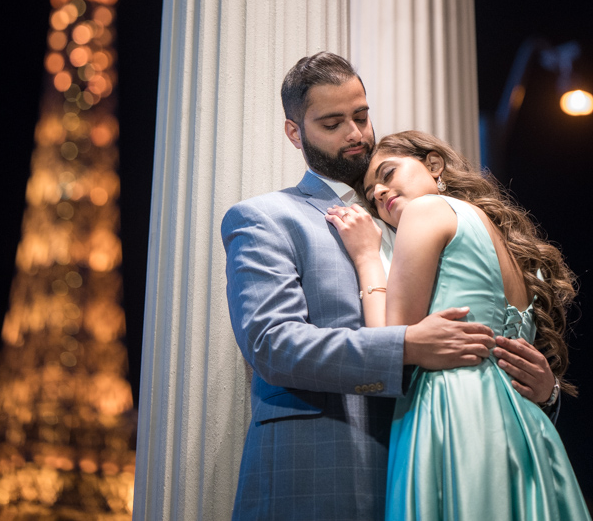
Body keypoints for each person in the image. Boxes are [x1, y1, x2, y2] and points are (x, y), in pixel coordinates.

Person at [221, 53, 557, 521]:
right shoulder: (266, 219)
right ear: (294, 132)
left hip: (442, 458)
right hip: (327, 469)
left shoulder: (416, 210)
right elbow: (271, 344)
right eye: (333, 123)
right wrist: (405, 346)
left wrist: (547, 392)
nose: (355, 133)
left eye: (361, 116)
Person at [327, 130, 590, 521]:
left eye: (388, 173)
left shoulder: (426, 209)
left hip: (455, 409)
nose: (379, 192)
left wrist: (367, 256)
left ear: (433, 165)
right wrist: (549, 393)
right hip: (526, 427)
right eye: (371, 193)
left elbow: (391, 341)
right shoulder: (510, 246)